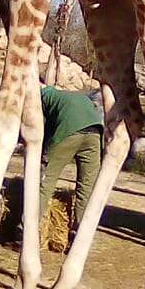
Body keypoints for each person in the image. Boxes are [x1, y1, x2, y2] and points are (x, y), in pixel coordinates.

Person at [38, 84, 104, 232]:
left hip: (69, 132)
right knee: (87, 188)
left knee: (45, 182)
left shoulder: (41, 98)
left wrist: (44, 155)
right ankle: (80, 233)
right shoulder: (74, 96)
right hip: (95, 134)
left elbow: (41, 129)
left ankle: (26, 229)